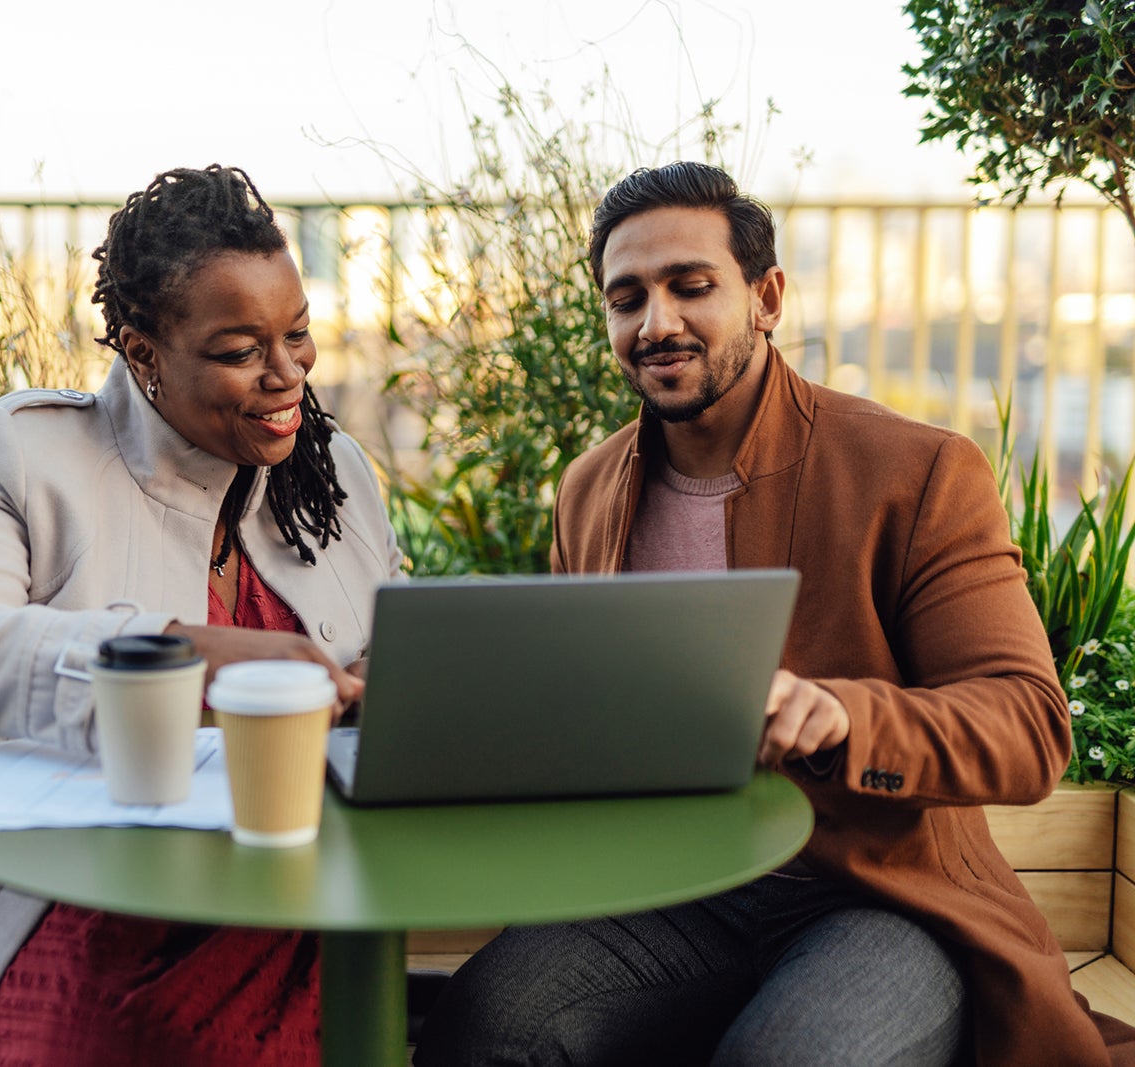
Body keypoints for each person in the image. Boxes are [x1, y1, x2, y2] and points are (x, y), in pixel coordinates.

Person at [413, 161, 1135, 1066]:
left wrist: (845, 715)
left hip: (877, 897)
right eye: (626, 297)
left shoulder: (918, 471)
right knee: (485, 1029)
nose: (656, 322)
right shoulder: (587, 490)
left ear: (767, 297)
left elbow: (1029, 727)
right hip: (669, 890)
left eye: (692, 286)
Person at [0, 164, 403, 1067]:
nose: (287, 374)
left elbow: (383, 657)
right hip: (68, 895)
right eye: (241, 350)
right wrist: (172, 653)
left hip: (288, 891)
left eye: (297, 335)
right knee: (119, 1037)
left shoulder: (337, 476)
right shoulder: (31, 454)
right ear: (141, 353)